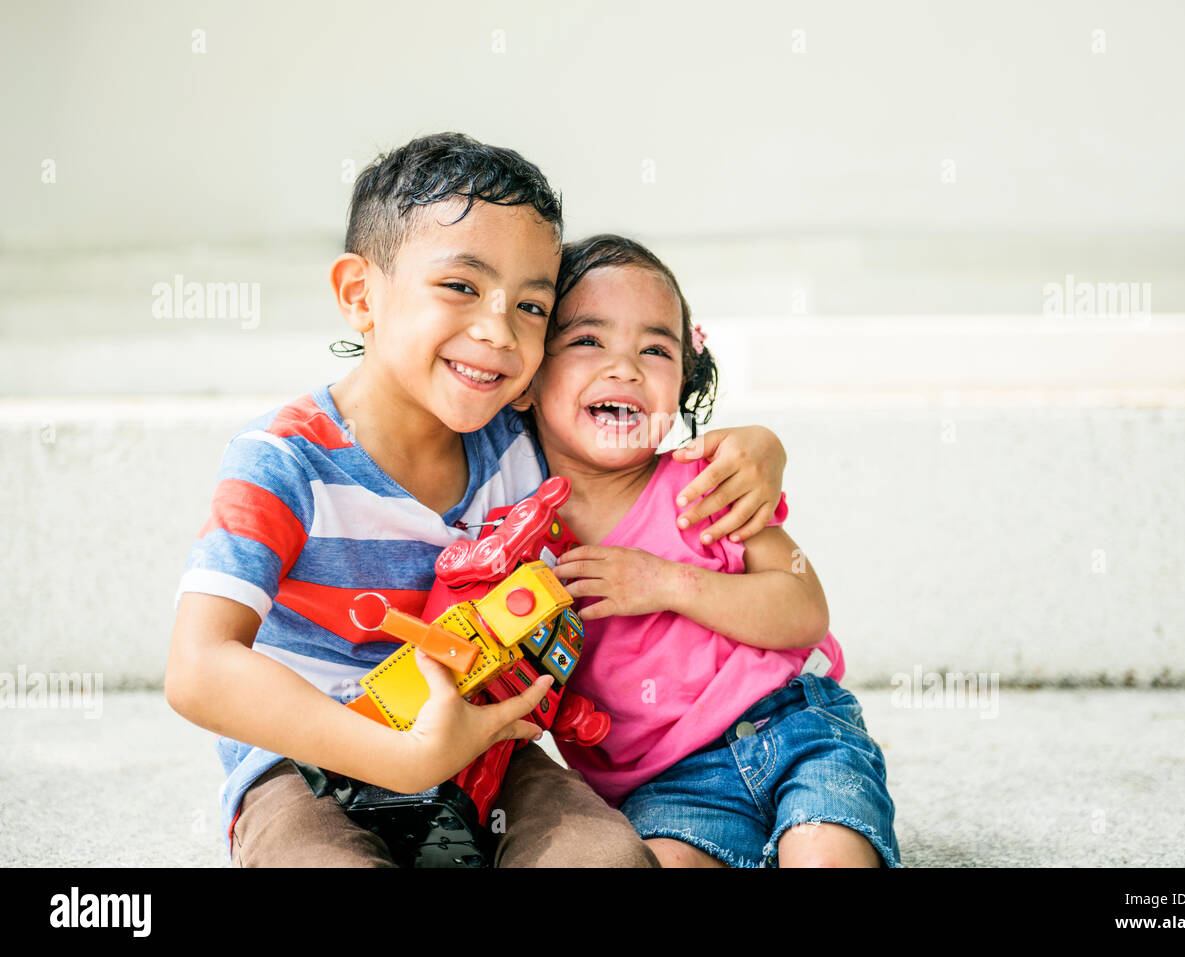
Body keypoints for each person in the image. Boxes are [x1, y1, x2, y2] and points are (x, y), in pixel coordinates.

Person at [164, 134, 788, 867]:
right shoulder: (283, 462)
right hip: (309, 768)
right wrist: (405, 758)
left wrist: (756, 447)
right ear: (361, 295)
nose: (497, 330)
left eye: (531, 305)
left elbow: (625, 440)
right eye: (461, 287)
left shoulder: (516, 448)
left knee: (608, 858)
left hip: (491, 747)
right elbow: (198, 667)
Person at [515, 234, 903, 868]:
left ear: (683, 386)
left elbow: (804, 607)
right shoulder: (517, 528)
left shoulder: (703, 485)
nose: (625, 368)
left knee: (827, 851)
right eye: (589, 341)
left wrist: (669, 583)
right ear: (527, 379)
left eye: (655, 349)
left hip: (794, 728)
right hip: (665, 784)